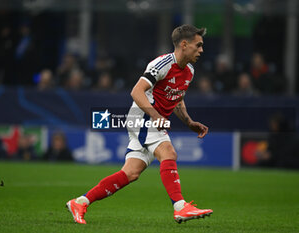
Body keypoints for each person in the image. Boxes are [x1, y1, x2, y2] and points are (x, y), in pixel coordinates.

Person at [66, 24, 213, 224]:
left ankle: (80, 202)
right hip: (143, 116)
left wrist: (189, 122)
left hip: (150, 119)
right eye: (198, 45)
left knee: (131, 173)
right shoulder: (162, 64)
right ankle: (180, 207)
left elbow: (177, 98)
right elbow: (136, 91)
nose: (201, 50)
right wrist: (155, 115)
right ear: (184, 44)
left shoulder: (189, 71)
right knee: (168, 152)